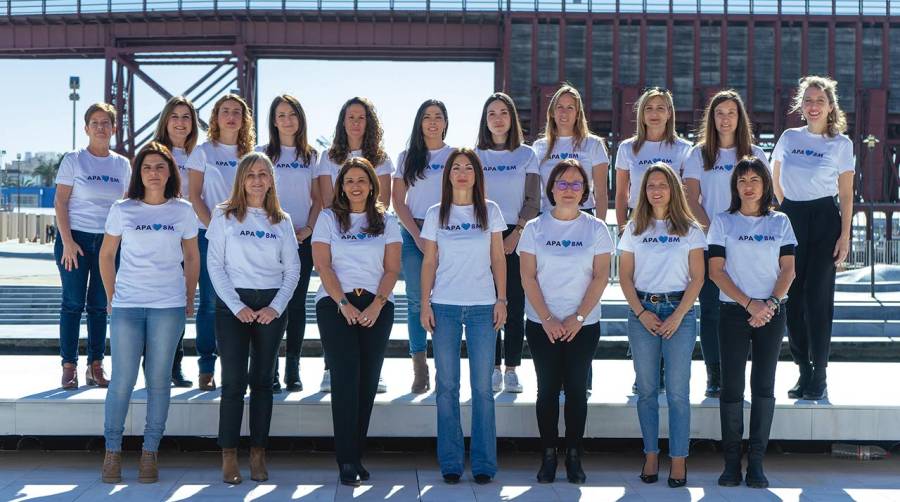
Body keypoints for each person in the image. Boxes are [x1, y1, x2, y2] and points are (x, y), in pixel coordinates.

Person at [99, 142, 199, 484]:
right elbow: (106, 255)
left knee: (158, 382)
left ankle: (149, 453)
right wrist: (112, 297)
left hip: (167, 307)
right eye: (147, 167)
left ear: (170, 171)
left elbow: (193, 257)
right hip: (127, 306)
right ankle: (112, 454)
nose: (153, 172)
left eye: (160, 166)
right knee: (122, 382)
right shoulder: (123, 209)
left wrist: (188, 296)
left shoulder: (183, 211)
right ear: (138, 173)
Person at [206, 151, 300, 484]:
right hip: (234, 306)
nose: (258, 180)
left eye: (263, 174)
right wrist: (236, 306)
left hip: (271, 306)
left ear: (271, 180)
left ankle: (258, 453)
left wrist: (275, 307)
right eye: (251, 175)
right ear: (241, 180)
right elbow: (215, 266)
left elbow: (293, 269)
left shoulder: (282, 220)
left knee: (263, 382)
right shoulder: (225, 216)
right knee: (233, 383)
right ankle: (229, 455)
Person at [519, 159, 613, 484]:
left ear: (585, 191)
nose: (569, 189)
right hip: (541, 324)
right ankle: (548, 455)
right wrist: (547, 318)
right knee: (546, 391)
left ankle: (573, 454)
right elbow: (528, 277)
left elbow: (601, 277)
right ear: (551, 189)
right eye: (563, 183)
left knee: (575, 390)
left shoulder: (596, 228)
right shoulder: (534, 228)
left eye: (576, 184)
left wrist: (578, 317)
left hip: (583, 327)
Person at [708, 156, 796, 488]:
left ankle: (756, 463)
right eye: (742, 180)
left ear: (765, 185)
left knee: (763, 387)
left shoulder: (781, 222)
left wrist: (769, 304)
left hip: (772, 313)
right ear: (735, 186)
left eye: (754, 180)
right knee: (731, 388)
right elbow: (716, 271)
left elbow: (788, 269)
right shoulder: (722, 222)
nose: (748, 186)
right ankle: (731, 463)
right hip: (733, 313)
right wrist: (749, 304)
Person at [312, 158, 401, 486]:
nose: (355, 186)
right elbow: (323, 266)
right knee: (346, 380)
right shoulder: (327, 219)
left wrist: (377, 305)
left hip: (377, 305)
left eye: (361, 180)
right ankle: (346, 461)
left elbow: (392, 269)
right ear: (341, 185)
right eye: (349, 180)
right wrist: (344, 304)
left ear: (372, 184)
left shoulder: (387, 221)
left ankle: (357, 455)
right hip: (336, 304)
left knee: (366, 384)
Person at [420, 147, 507, 485]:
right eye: (455, 167)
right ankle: (451, 463)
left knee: (483, 388)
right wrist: (425, 304)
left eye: (468, 167)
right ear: (448, 175)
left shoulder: (491, 211)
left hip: (484, 308)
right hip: (444, 307)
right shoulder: (435, 213)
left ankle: (484, 464)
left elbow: (498, 258)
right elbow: (429, 262)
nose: (461, 172)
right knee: (447, 387)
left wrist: (503, 300)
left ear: (476, 174)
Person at [619, 162, 706, 488]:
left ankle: (679, 459)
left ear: (673, 189)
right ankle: (651, 454)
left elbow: (698, 278)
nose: (656, 190)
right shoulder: (634, 228)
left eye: (663, 184)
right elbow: (625, 277)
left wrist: (678, 315)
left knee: (678, 392)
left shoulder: (690, 229)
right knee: (645, 391)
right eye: (651, 185)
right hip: (643, 311)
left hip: (679, 313)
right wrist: (641, 313)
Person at [772, 76, 854, 401]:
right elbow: (775, 179)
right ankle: (802, 370)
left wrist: (844, 236)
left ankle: (819, 373)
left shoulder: (840, 144)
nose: (814, 105)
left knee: (817, 299)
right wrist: (786, 209)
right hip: (791, 217)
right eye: (808, 100)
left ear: (830, 106)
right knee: (791, 299)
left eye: (820, 100)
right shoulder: (789, 137)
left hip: (824, 220)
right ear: (801, 106)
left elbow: (846, 194)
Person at [683, 90, 768, 398]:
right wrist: (716, 233)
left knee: (742, 311)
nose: (725, 118)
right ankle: (714, 375)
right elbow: (691, 199)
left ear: (739, 117)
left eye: (731, 112)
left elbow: (765, 200)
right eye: (720, 113)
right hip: (710, 244)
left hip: (747, 246)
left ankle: (736, 375)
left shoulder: (755, 153)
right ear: (712, 118)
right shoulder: (699, 154)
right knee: (711, 311)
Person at [316, 96, 394, 394]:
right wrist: (341, 230)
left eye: (361, 117)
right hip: (336, 232)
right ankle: (329, 366)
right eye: (350, 117)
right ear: (342, 121)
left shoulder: (382, 157)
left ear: (369, 122)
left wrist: (366, 229)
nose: (356, 122)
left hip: (371, 233)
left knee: (375, 306)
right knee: (333, 294)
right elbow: (327, 199)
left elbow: (382, 203)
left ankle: (376, 369)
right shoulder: (328, 156)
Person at [54, 102, 131, 389]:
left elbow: (126, 205)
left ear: (114, 128)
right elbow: (61, 202)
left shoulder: (122, 164)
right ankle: (69, 366)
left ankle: (95, 365)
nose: (101, 127)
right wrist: (68, 242)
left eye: (106, 123)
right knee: (73, 303)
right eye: (95, 123)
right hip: (75, 239)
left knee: (100, 305)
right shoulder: (73, 160)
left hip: (109, 243)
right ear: (86, 128)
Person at [187, 93, 256, 391]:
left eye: (237, 112)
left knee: (244, 300)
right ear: (215, 118)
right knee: (212, 303)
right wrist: (214, 228)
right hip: (210, 236)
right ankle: (206, 367)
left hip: (247, 239)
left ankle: (237, 367)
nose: (231, 117)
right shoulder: (203, 152)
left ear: (244, 120)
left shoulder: (252, 154)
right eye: (225, 111)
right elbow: (194, 196)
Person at [474, 92, 541, 394]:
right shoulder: (475, 155)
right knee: (487, 303)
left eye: (503, 112)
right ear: (485, 121)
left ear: (512, 118)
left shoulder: (526, 154)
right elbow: (470, 198)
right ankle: (491, 366)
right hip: (483, 234)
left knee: (514, 303)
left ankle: (511, 368)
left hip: (516, 235)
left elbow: (532, 200)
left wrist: (516, 234)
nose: (498, 119)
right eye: (491, 114)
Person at [258, 94, 320, 393]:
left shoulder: (312, 156)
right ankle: (268, 368)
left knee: (295, 305)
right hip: (268, 239)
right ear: (273, 120)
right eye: (281, 115)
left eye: (292, 114)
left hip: (302, 239)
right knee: (271, 302)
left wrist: (308, 228)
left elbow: (320, 199)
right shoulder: (261, 153)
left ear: (300, 119)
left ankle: (292, 367)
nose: (287, 120)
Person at [391, 99, 453, 394]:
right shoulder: (406, 158)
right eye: (426, 117)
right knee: (417, 300)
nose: (432, 121)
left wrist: (440, 233)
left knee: (444, 300)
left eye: (437, 117)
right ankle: (419, 366)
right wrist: (416, 234)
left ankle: (444, 366)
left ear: (445, 122)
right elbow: (398, 202)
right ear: (419, 122)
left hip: (448, 232)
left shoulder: (454, 155)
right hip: (413, 232)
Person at [151, 95, 201, 388]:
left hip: (192, 236)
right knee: (159, 302)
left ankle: (175, 365)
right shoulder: (154, 153)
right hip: (161, 236)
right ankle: (156, 365)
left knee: (182, 301)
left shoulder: (200, 154)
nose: (181, 122)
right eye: (175, 116)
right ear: (166, 120)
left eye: (186, 117)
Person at [615, 87, 692, 230]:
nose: (654, 113)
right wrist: (621, 228)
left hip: (673, 219)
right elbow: (621, 194)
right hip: (638, 219)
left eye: (660, 108)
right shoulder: (627, 148)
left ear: (669, 113)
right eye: (648, 108)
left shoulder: (684, 148)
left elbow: (689, 194)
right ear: (641, 114)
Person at [533, 85, 609, 218]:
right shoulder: (539, 147)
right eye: (559, 107)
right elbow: (533, 193)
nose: (564, 113)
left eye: (570, 108)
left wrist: (600, 225)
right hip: (548, 217)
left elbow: (601, 193)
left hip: (583, 215)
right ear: (552, 112)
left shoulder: (593, 144)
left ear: (578, 113)